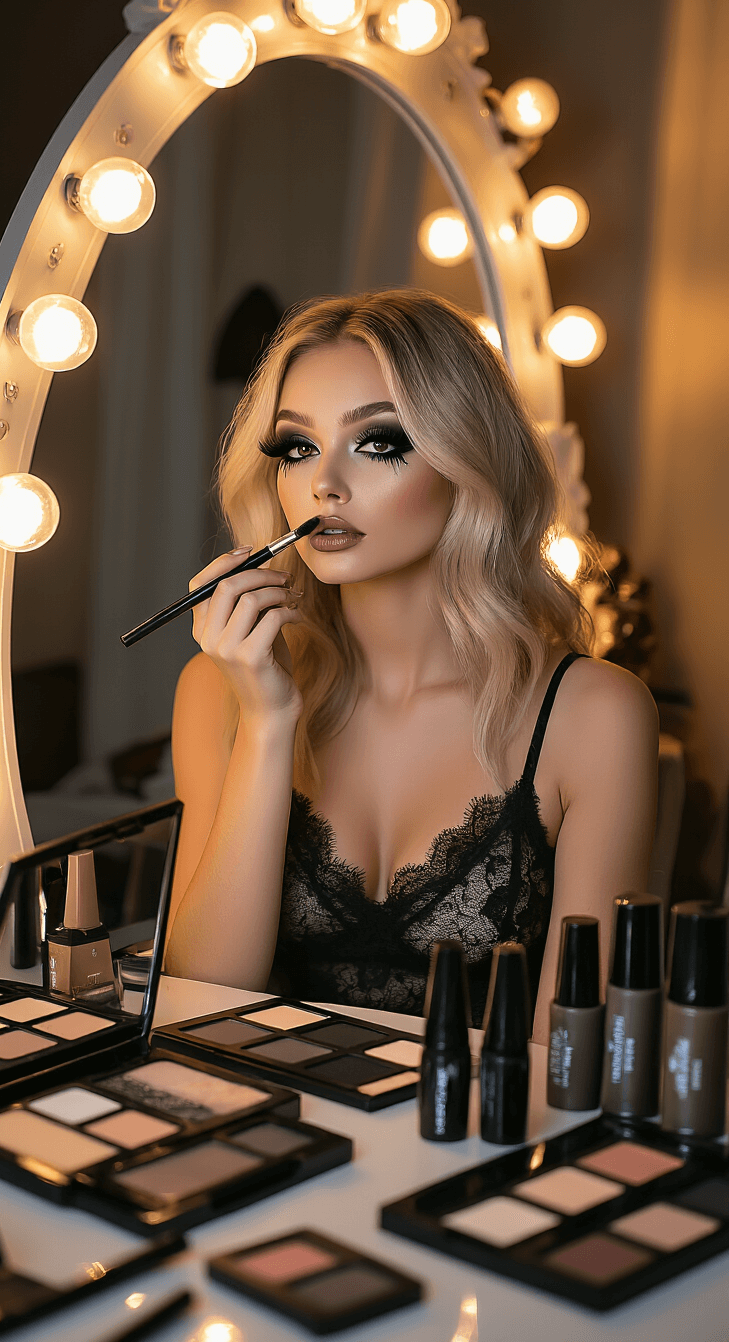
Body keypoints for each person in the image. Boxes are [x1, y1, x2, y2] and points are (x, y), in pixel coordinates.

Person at [165, 289, 659, 1045]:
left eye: (378, 442)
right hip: (273, 1105)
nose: (324, 483)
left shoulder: (593, 715)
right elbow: (199, 1006)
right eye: (297, 447)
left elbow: (573, 1061)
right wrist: (268, 723)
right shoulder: (219, 689)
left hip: (488, 1117)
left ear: (467, 460)